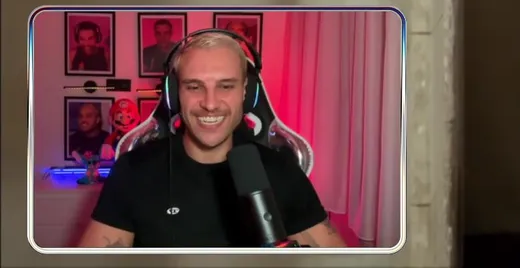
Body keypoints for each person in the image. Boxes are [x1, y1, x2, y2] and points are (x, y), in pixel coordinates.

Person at [78, 31, 344, 248]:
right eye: (194, 87)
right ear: (175, 94)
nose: (210, 103)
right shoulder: (134, 171)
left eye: (226, 86)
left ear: (245, 92)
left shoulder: (281, 171)